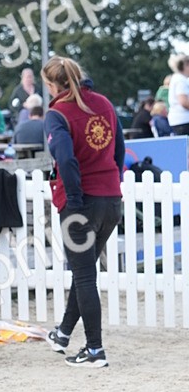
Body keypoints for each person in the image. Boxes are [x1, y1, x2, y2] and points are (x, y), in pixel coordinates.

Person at [43, 56, 125, 369]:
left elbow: (64, 159)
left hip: (80, 202)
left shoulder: (57, 113)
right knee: (86, 271)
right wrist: (112, 178)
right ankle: (63, 334)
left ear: (53, 85)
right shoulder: (104, 103)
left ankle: (94, 350)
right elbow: (118, 147)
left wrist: (74, 198)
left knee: (84, 276)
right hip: (110, 199)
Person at [167, 55, 189, 136]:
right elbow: (184, 102)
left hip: (179, 121)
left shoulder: (177, 78)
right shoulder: (181, 80)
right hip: (184, 121)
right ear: (186, 65)